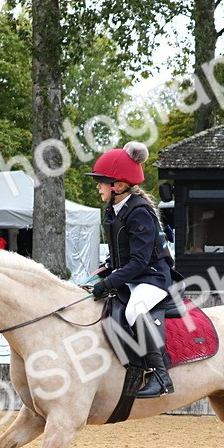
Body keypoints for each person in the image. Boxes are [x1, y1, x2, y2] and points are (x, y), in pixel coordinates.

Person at [87, 141, 175, 398]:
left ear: (119, 186)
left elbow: (139, 261)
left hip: (152, 278)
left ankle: (161, 376)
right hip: (133, 276)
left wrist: (111, 282)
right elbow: (118, 255)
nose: (98, 186)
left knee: (135, 308)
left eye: (102, 182)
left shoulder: (139, 212)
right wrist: (105, 270)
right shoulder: (112, 210)